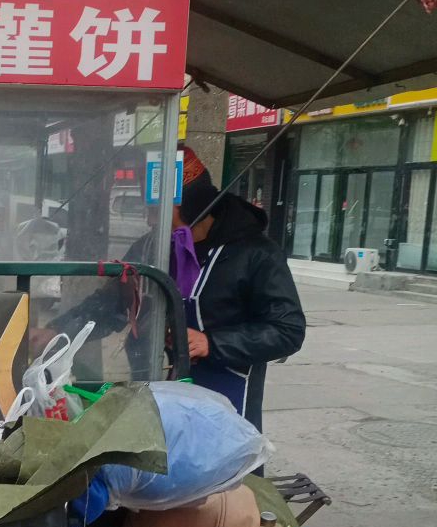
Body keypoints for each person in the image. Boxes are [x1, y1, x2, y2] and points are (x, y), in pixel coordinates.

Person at [47, 147, 305, 431]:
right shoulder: (151, 247)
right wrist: (57, 332)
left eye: (156, 210)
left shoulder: (256, 254)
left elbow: (287, 330)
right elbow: (111, 304)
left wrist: (212, 342)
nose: (149, 221)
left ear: (191, 206)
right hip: (154, 387)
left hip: (223, 398)